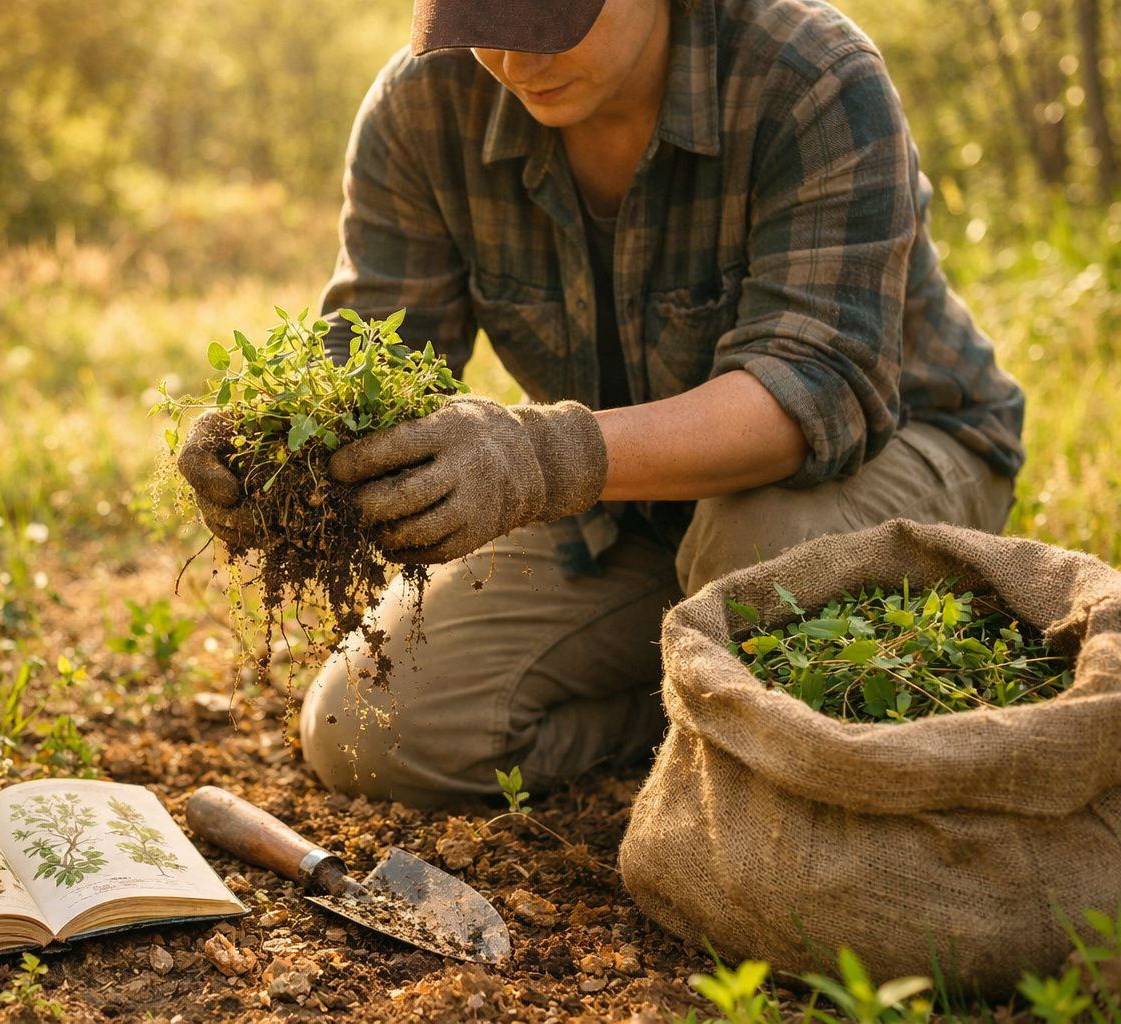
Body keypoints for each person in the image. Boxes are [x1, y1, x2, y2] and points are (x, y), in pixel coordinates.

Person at [178, 0, 1025, 807]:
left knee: (757, 547)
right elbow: (376, 345)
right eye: (486, 26)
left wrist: (540, 458)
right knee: (368, 729)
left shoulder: (811, 76)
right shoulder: (424, 103)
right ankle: (692, 712)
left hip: (897, 450)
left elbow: (814, 387)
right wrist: (274, 440)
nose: (517, 60)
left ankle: (829, 688)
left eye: (551, 20)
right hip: (620, 499)